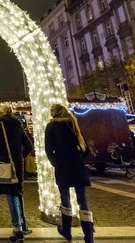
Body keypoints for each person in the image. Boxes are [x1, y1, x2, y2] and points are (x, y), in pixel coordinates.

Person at [45, 104, 93, 243]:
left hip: (62, 164)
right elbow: (84, 146)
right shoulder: (73, 123)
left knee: (65, 199)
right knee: (82, 201)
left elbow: (49, 149)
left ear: (54, 112)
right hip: (77, 163)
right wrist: (79, 157)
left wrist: (55, 162)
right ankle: (88, 235)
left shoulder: (51, 126)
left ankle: (67, 231)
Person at [0, 105, 33, 243]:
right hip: (17, 163)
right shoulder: (18, 124)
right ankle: (23, 225)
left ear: (1, 112)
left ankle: (18, 230)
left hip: (4, 163)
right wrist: (21, 156)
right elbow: (29, 145)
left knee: (12, 195)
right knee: (18, 193)